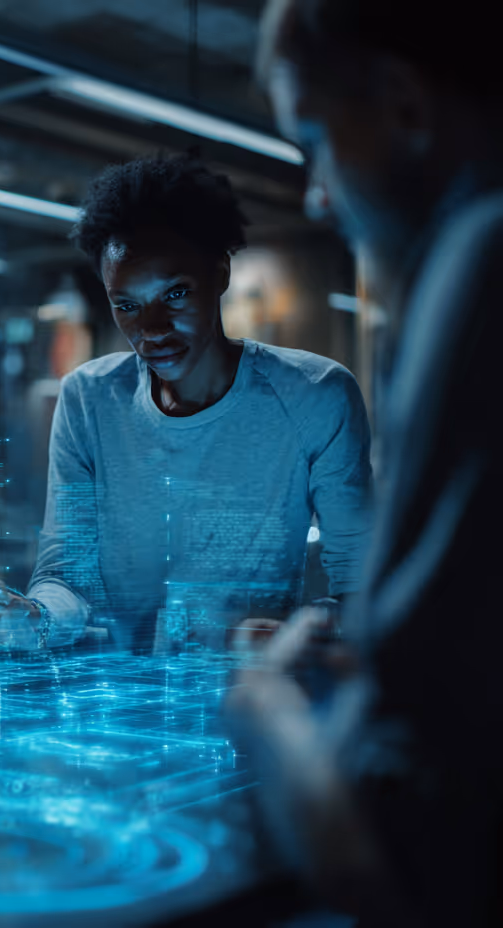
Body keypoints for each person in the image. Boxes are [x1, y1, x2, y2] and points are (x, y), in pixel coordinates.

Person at [226, 1, 503, 924]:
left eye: (314, 136)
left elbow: (390, 848)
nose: (314, 194)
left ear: (404, 107)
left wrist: (265, 709)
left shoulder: (479, 262)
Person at [0, 155, 372, 654]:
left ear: (220, 274)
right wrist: (34, 616)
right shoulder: (88, 398)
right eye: (126, 304)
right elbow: (68, 576)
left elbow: (363, 589)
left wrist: (295, 634)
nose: (150, 329)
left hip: (254, 695)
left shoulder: (314, 393)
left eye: (175, 294)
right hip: (121, 701)